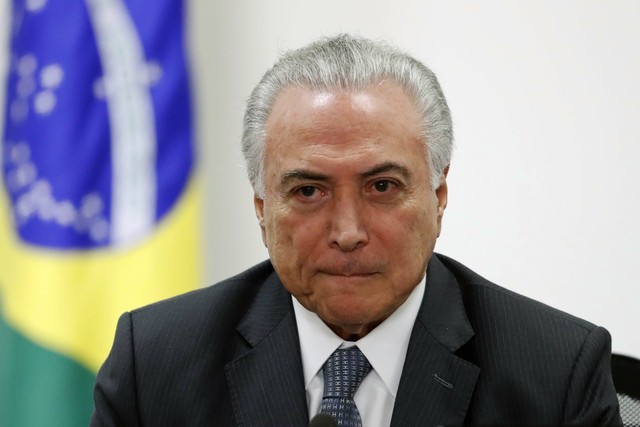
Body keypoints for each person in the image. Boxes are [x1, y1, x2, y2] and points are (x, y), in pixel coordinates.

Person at [91, 34, 621, 426]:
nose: (347, 232)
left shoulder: (555, 373)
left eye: (382, 187)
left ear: (438, 197)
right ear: (262, 208)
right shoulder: (155, 365)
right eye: (308, 191)